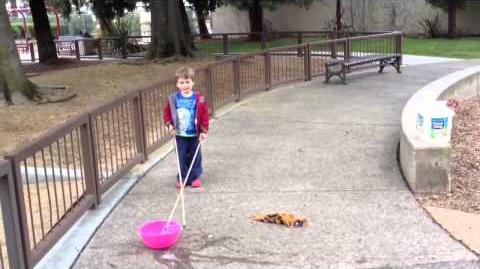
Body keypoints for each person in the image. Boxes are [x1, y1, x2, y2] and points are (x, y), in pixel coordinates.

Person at [163, 67, 209, 188]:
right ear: (177, 84)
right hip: (180, 135)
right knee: (181, 156)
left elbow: (204, 115)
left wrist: (204, 130)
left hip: (194, 134)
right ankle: (183, 177)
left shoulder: (199, 99)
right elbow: (167, 113)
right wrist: (169, 125)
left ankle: (194, 177)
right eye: (182, 83)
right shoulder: (173, 99)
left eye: (188, 82)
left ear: (193, 82)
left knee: (195, 156)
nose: (185, 85)